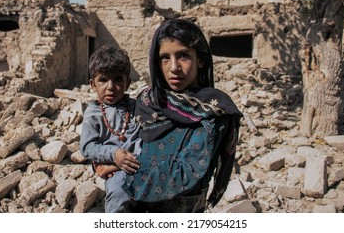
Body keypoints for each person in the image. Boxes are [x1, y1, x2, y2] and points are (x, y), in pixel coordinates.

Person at [122, 18, 243, 212]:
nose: (173, 67)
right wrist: (108, 159)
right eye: (165, 58)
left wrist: (123, 174)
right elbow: (121, 139)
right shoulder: (147, 101)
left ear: (200, 60)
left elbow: (184, 174)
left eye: (183, 56)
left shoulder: (213, 110)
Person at [80, 46, 141, 213]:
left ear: (127, 83)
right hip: (119, 173)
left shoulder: (136, 107)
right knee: (118, 192)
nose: (111, 87)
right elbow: (87, 147)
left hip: (142, 163)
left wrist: (115, 165)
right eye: (103, 80)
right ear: (93, 84)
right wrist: (114, 155)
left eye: (118, 80)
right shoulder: (93, 114)